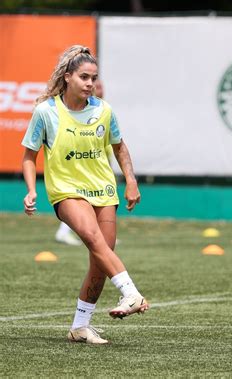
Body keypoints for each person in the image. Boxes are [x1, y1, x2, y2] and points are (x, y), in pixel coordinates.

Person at [22, 45, 149, 344]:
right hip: (66, 191)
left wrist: (131, 180)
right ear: (68, 77)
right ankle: (130, 292)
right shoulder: (46, 112)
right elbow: (29, 155)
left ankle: (80, 325)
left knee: (101, 258)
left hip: (104, 189)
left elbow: (119, 146)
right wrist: (30, 190)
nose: (90, 83)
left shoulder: (104, 110)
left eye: (94, 77)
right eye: (84, 77)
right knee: (92, 238)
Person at [53, 79, 105, 247]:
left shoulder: (103, 109)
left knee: (97, 199)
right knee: (82, 200)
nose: (97, 87)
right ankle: (65, 232)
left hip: (99, 161)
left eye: (98, 84)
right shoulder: (74, 109)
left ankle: (101, 235)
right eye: (97, 85)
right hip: (83, 164)